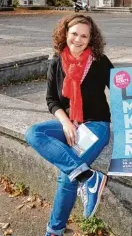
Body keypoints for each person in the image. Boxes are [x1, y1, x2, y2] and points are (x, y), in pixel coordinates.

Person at [25, 14, 113, 236]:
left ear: (91, 38)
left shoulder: (100, 61)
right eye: (74, 34)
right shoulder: (56, 62)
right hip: (71, 123)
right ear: (65, 33)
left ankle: (54, 231)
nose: (78, 39)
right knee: (34, 133)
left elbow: (124, 88)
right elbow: (51, 100)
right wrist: (65, 122)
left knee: (67, 175)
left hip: (95, 125)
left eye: (84, 35)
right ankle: (88, 177)